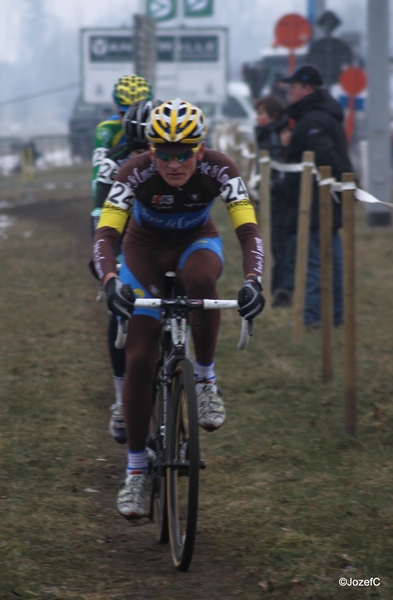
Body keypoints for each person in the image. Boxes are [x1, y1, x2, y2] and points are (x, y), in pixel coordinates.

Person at [92, 98, 265, 519]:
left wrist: (253, 281)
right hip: (143, 253)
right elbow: (105, 235)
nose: (174, 164)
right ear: (151, 151)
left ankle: (205, 380)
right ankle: (135, 471)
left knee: (203, 283)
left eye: (184, 153)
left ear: (200, 150)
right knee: (139, 358)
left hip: (196, 244)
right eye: (165, 154)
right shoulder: (132, 172)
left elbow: (248, 230)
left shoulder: (220, 168)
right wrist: (111, 281)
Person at [93, 98, 161, 445]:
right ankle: (122, 398)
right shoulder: (112, 165)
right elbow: (100, 219)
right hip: (125, 241)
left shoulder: (168, 160)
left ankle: (198, 374)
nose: (144, 155)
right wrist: (109, 266)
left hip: (165, 243)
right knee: (118, 309)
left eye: (150, 147)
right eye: (137, 147)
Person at [275, 65, 353, 325]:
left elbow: (327, 158)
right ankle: (336, 313)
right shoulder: (321, 115)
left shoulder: (312, 121)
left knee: (315, 260)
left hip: (318, 198)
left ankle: (312, 316)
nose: (289, 94)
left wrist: (335, 186)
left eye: (293, 88)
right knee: (331, 258)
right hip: (327, 195)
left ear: (306, 89)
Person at [91, 74, 152, 218]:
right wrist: (100, 208)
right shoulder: (106, 131)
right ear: (116, 107)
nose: (130, 120)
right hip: (118, 194)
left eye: (138, 113)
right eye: (123, 114)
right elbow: (97, 178)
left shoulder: (160, 126)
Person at [254, 96, 290, 297]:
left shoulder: (274, 137)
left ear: (273, 116)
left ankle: (282, 288)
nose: (257, 118)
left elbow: (276, 170)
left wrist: (269, 187)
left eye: (261, 114)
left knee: (279, 245)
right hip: (273, 196)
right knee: (276, 245)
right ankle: (279, 286)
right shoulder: (266, 133)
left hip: (278, 198)